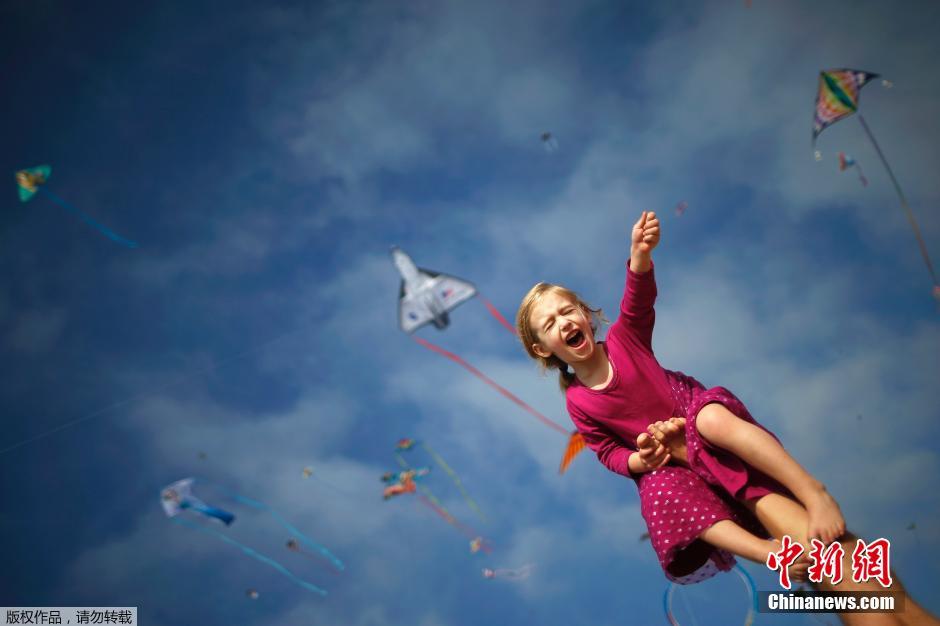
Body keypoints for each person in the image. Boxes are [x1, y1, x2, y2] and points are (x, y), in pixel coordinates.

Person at [516, 210, 937, 626]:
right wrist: (640, 460)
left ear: (585, 314)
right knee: (656, 490)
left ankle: (814, 492)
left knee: (711, 422)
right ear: (543, 349)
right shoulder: (577, 401)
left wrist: (640, 256)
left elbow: (638, 303)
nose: (563, 322)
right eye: (549, 324)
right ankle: (766, 551)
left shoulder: (625, 342)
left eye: (567, 310)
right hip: (683, 469)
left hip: (700, 425)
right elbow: (606, 450)